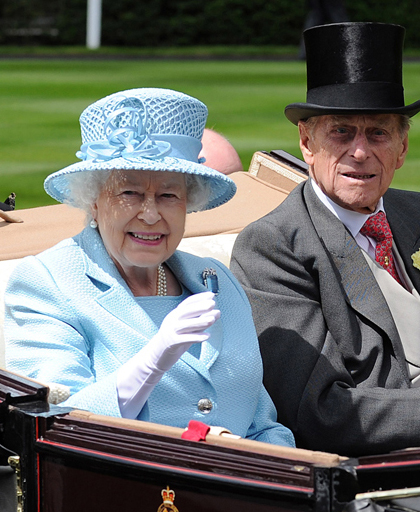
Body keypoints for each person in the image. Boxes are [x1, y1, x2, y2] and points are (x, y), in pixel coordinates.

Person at [230, 22, 420, 456]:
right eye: (341, 131)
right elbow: (318, 412)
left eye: (378, 133)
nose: (360, 151)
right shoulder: (274, 247)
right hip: (387, 469)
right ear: (306, 142)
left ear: (402, 147)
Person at [4, 87, 294, 447]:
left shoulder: (218, 282)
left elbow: (260, 425)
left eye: (169, 195)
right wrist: (152, 362)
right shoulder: (48, 283)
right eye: (130, 193)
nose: (151, 214)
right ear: (93, 201)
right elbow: (57, 431)